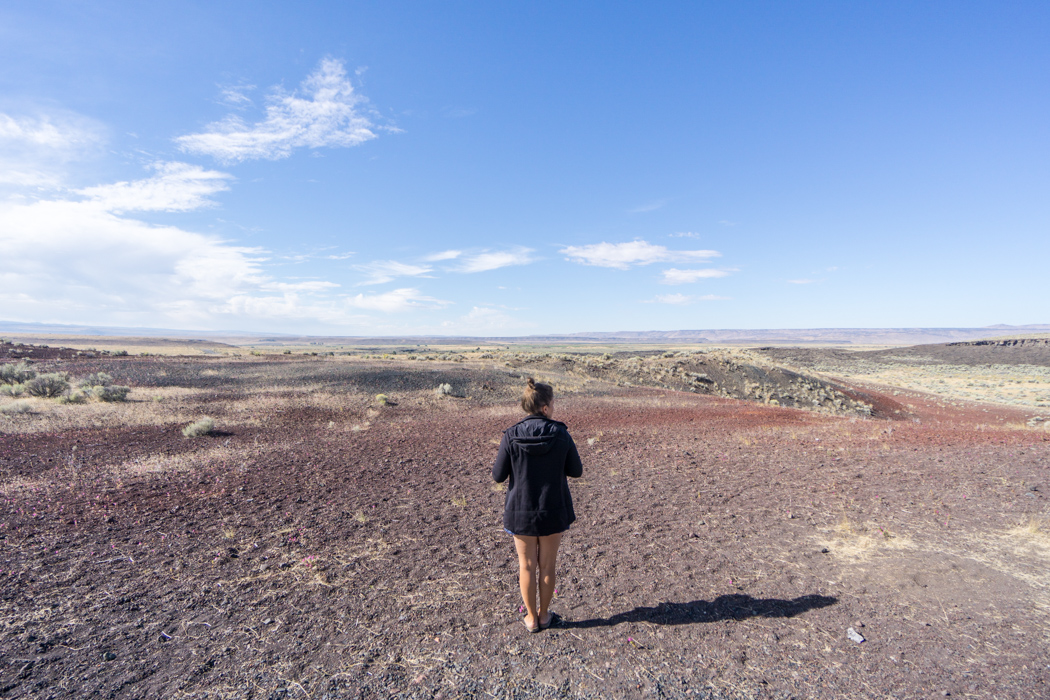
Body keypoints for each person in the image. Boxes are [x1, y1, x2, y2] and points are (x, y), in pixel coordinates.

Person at [492, 377, 583, 633]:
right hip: (553, 510)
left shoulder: (510, 435)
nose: (554, 408)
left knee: (527, 566)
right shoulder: (561, 434)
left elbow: (497, 476)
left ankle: (531, 618)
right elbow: (576, 471)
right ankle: (545, 616)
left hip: (520, 512)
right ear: (545, 407)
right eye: (553, 404)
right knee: (548, 565)